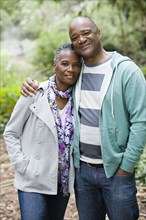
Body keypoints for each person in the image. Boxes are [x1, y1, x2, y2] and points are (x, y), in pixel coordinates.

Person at [20, 16, 146, 220]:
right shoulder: (76, 71)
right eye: (74, 37)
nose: (81, 39)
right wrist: (30, 85)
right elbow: (54, 84)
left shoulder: (126, 71)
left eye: (86, 32)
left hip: (116, 173)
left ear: (98, 32)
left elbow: (141, 122)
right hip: (83, 174)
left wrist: (126, 167)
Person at [3, 43, 82, 220]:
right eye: (65, 63)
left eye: (76, 65)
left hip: (61, 181)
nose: (71, 69)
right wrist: (23, 166)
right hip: (33, 180)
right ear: (55, 66)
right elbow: (10, 132)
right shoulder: (35, 92)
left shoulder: (79, 97)